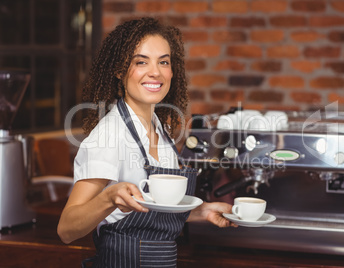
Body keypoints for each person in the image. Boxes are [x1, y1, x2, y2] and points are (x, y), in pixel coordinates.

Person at [57, 17, 235, 267]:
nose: (156, 72)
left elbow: (154, 214)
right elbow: (67, 229)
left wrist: (201, 211)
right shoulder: (109, 135)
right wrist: (108, 198)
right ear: (119, 70)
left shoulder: (159, 131)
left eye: (164, 61)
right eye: (141, 62)